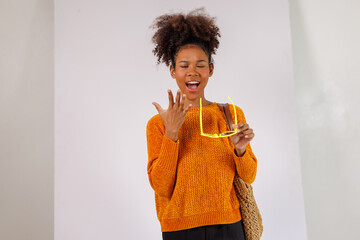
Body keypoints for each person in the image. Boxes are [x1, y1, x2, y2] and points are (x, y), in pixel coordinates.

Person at [146, 8, 258, 240]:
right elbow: (161, 186)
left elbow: (248, 176)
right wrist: (172, 133)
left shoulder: (230, 114)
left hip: (230, 225)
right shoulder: (158, 124)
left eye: (200, 64)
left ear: (210, 69)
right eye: (184, 65)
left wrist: (240, 149)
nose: (192, 72)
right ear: (173, 71)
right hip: (179, 230)